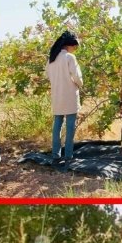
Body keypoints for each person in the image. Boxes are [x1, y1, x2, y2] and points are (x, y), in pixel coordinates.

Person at [45, 30, 83, 165]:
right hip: (70, 95)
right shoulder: (69, 57)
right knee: (70, 126)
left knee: (57, 125)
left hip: (57, 95)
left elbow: (47, 76)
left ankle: (56, 154)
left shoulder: (52, 58)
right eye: (75, 46)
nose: (75, 49)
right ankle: (68, 155)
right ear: (69, 45)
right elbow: (77, 77)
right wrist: (79, 85)